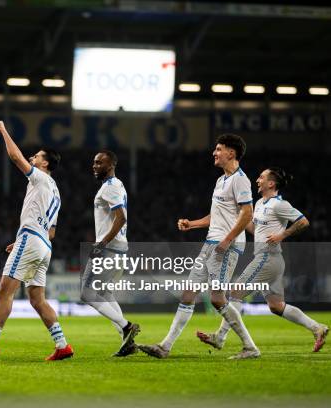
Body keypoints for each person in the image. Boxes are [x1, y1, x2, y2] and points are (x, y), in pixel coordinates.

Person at [139, 133, 260, 360]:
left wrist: (227, 240)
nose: (214, 153)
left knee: (217, 299)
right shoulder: (221, 180)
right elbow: (216, 215)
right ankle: (165, 346)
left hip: (226, 246)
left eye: (219, 149)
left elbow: (247, 214)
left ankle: (250, 347)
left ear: (231, 153)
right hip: (211, 243)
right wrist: (192, 224)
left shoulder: (240, 180)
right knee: (188, 294)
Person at [0, 120, 73, 361]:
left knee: (4, 291)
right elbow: (52, 231)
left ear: (45, 163)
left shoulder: (41, 179)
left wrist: (3, 130)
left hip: (32, 240)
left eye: (36, 156)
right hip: (44, 245)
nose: (32, 158)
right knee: (37, 299)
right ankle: (62, 345)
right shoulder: (55, 191)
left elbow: (16, 158)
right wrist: (24, 242)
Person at [197, 167, 328, 352]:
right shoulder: (259, 204)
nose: (257, 180)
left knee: (236, 291)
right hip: (272, 261)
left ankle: (220, 337)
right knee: (276, 306)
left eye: (261, 177)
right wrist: (237, 219)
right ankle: (317, 328)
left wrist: (282, 235)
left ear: (271, 183)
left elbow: (303, 221)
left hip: (267, 257)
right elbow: (254, 229)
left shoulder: (279, 204)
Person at [81, 150, 140, 357]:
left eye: (99, 162)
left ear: (111, 165)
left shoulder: (110, 187)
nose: (95, 166)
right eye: (94, 162)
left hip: (109, 249)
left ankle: (126, 326)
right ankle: (127, 341)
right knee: (105, 294)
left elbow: (121, 217)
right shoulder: (118, 185)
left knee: (87, 293)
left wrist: (102, 244)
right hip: (119, 249)